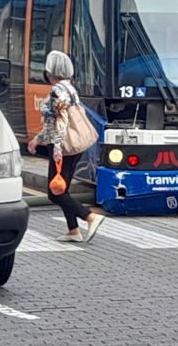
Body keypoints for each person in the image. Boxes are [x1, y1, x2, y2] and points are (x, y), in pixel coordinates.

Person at [28, 51, 105, 243]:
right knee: (62, 189)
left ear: (50, 71)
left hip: (63, 146)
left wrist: (44, 143)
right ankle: (73, 230)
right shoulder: (70, 88)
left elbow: (56, 123)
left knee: (54, 193)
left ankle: (89, 216)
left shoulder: (56, 92)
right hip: (75, 145)